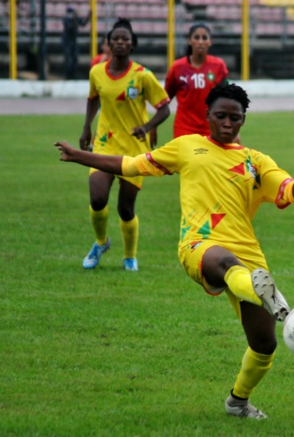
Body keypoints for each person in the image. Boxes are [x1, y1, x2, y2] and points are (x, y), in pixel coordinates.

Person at [56, 83, 294, 420]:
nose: (227, 123)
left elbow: (287, 193)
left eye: (234, 118)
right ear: (207, 115)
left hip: (249, 255)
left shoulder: (255, 161)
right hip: (199, 244)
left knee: (264, 345)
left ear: (243, 121)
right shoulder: (187, 147)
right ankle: (263, 291)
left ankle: (238, 402)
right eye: (220, 115)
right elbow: (133, 165)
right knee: (225, 263)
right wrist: (80, 156)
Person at [79, 18, 170, 272]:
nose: (120, 43)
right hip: (105, 144)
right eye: (115, 39)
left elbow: (164, 108)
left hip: (134, 149)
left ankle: (130, 256)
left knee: (125, 207)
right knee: (97, 198)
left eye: (125, 39)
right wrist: (87, 127)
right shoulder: (97, 71)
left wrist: (147, 127)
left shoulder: (142, 76)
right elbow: (93, 99)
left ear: (132, 45)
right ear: (108, 44)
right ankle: (100, 242)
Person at [165, 23, 229, 139]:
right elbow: (165, 99)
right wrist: (153, 126)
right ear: (189, 41)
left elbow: (228, 98)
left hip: (211, 128)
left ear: (210, 41)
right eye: (196, 37)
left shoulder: (218, 66)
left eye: (204, 38)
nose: (200, 41)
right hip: (184, 129)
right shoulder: (177, 67)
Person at [62, 6, 90, 79]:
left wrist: (88, 16)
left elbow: (83, 24)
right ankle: (67, 75)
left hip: (73, 41)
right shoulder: (66, 19)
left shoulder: (75, 18)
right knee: (68, 58)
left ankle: (73, 74)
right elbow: (70, 27)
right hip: (67, 41)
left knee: (75, 57)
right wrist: (74, 20)